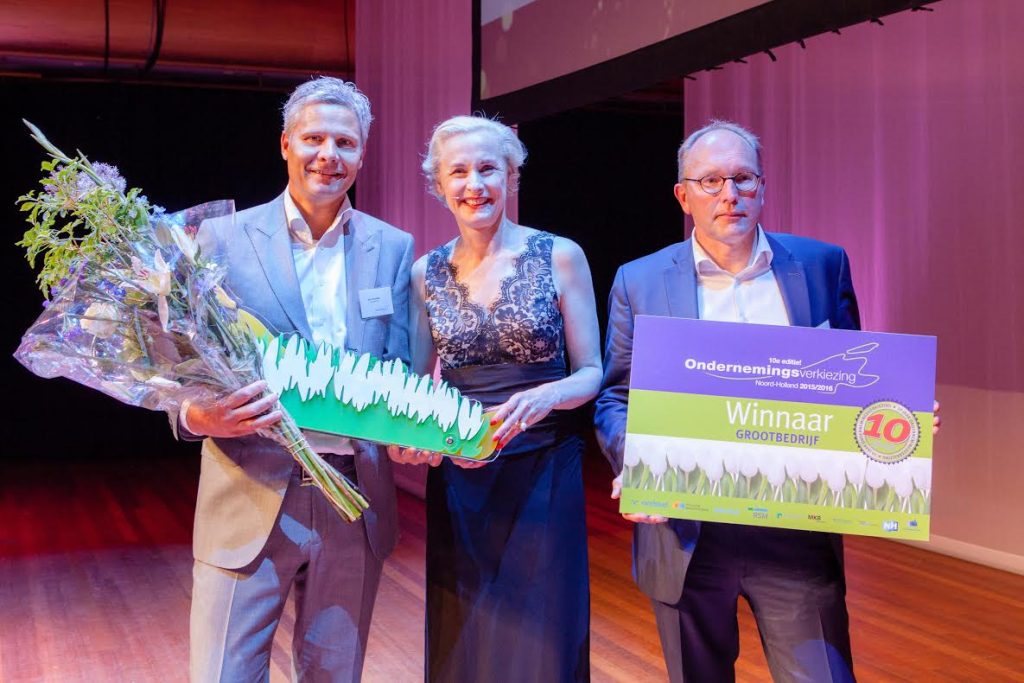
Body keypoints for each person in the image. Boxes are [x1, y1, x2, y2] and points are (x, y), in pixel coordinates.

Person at [595, 120, 940, 683]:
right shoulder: (640, 280)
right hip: (684, 533)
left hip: (797, 532)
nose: (728, 194)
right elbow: (616, 395)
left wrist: (900, 417)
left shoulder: (822, 265)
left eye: (742, 178)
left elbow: (856, 385)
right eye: (710, 181)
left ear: (763, 186)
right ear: (684, 196)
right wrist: (636, 457)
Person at [171, 76, 414, 682]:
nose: (328, 155)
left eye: (345, 143)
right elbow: (178, 369)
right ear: (286, 144)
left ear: (362, 155)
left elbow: (402, 370)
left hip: (354, 501)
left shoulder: (392, 247)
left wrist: (420, 431)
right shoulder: (219, 238)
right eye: (313, 138)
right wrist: (198, 417)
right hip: (248, 493)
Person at [387, 115, 602, 682]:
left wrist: (548, 394)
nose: (474, 184)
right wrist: (414, 442)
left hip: (545, 471)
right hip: (464, 479)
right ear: (439, 185)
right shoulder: (423, 274)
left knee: (546, 640)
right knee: (468, 635)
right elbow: (413, 389)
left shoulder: (560, 255)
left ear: (511, 175)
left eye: (488, 168)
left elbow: (592, 373)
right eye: (458, 172)